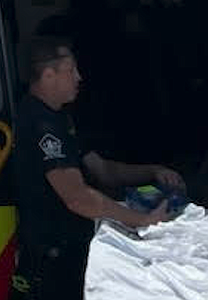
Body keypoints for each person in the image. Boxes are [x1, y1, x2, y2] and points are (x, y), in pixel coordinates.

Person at [10, 36, 185, 300]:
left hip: (68, 252)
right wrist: (143, 221)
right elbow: (77, 198)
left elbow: (103, 170)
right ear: (48, 75)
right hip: (49, 260)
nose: (79, 77)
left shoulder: (60, 119)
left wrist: (152, 171)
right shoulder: (41, 125)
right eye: (71, 70)